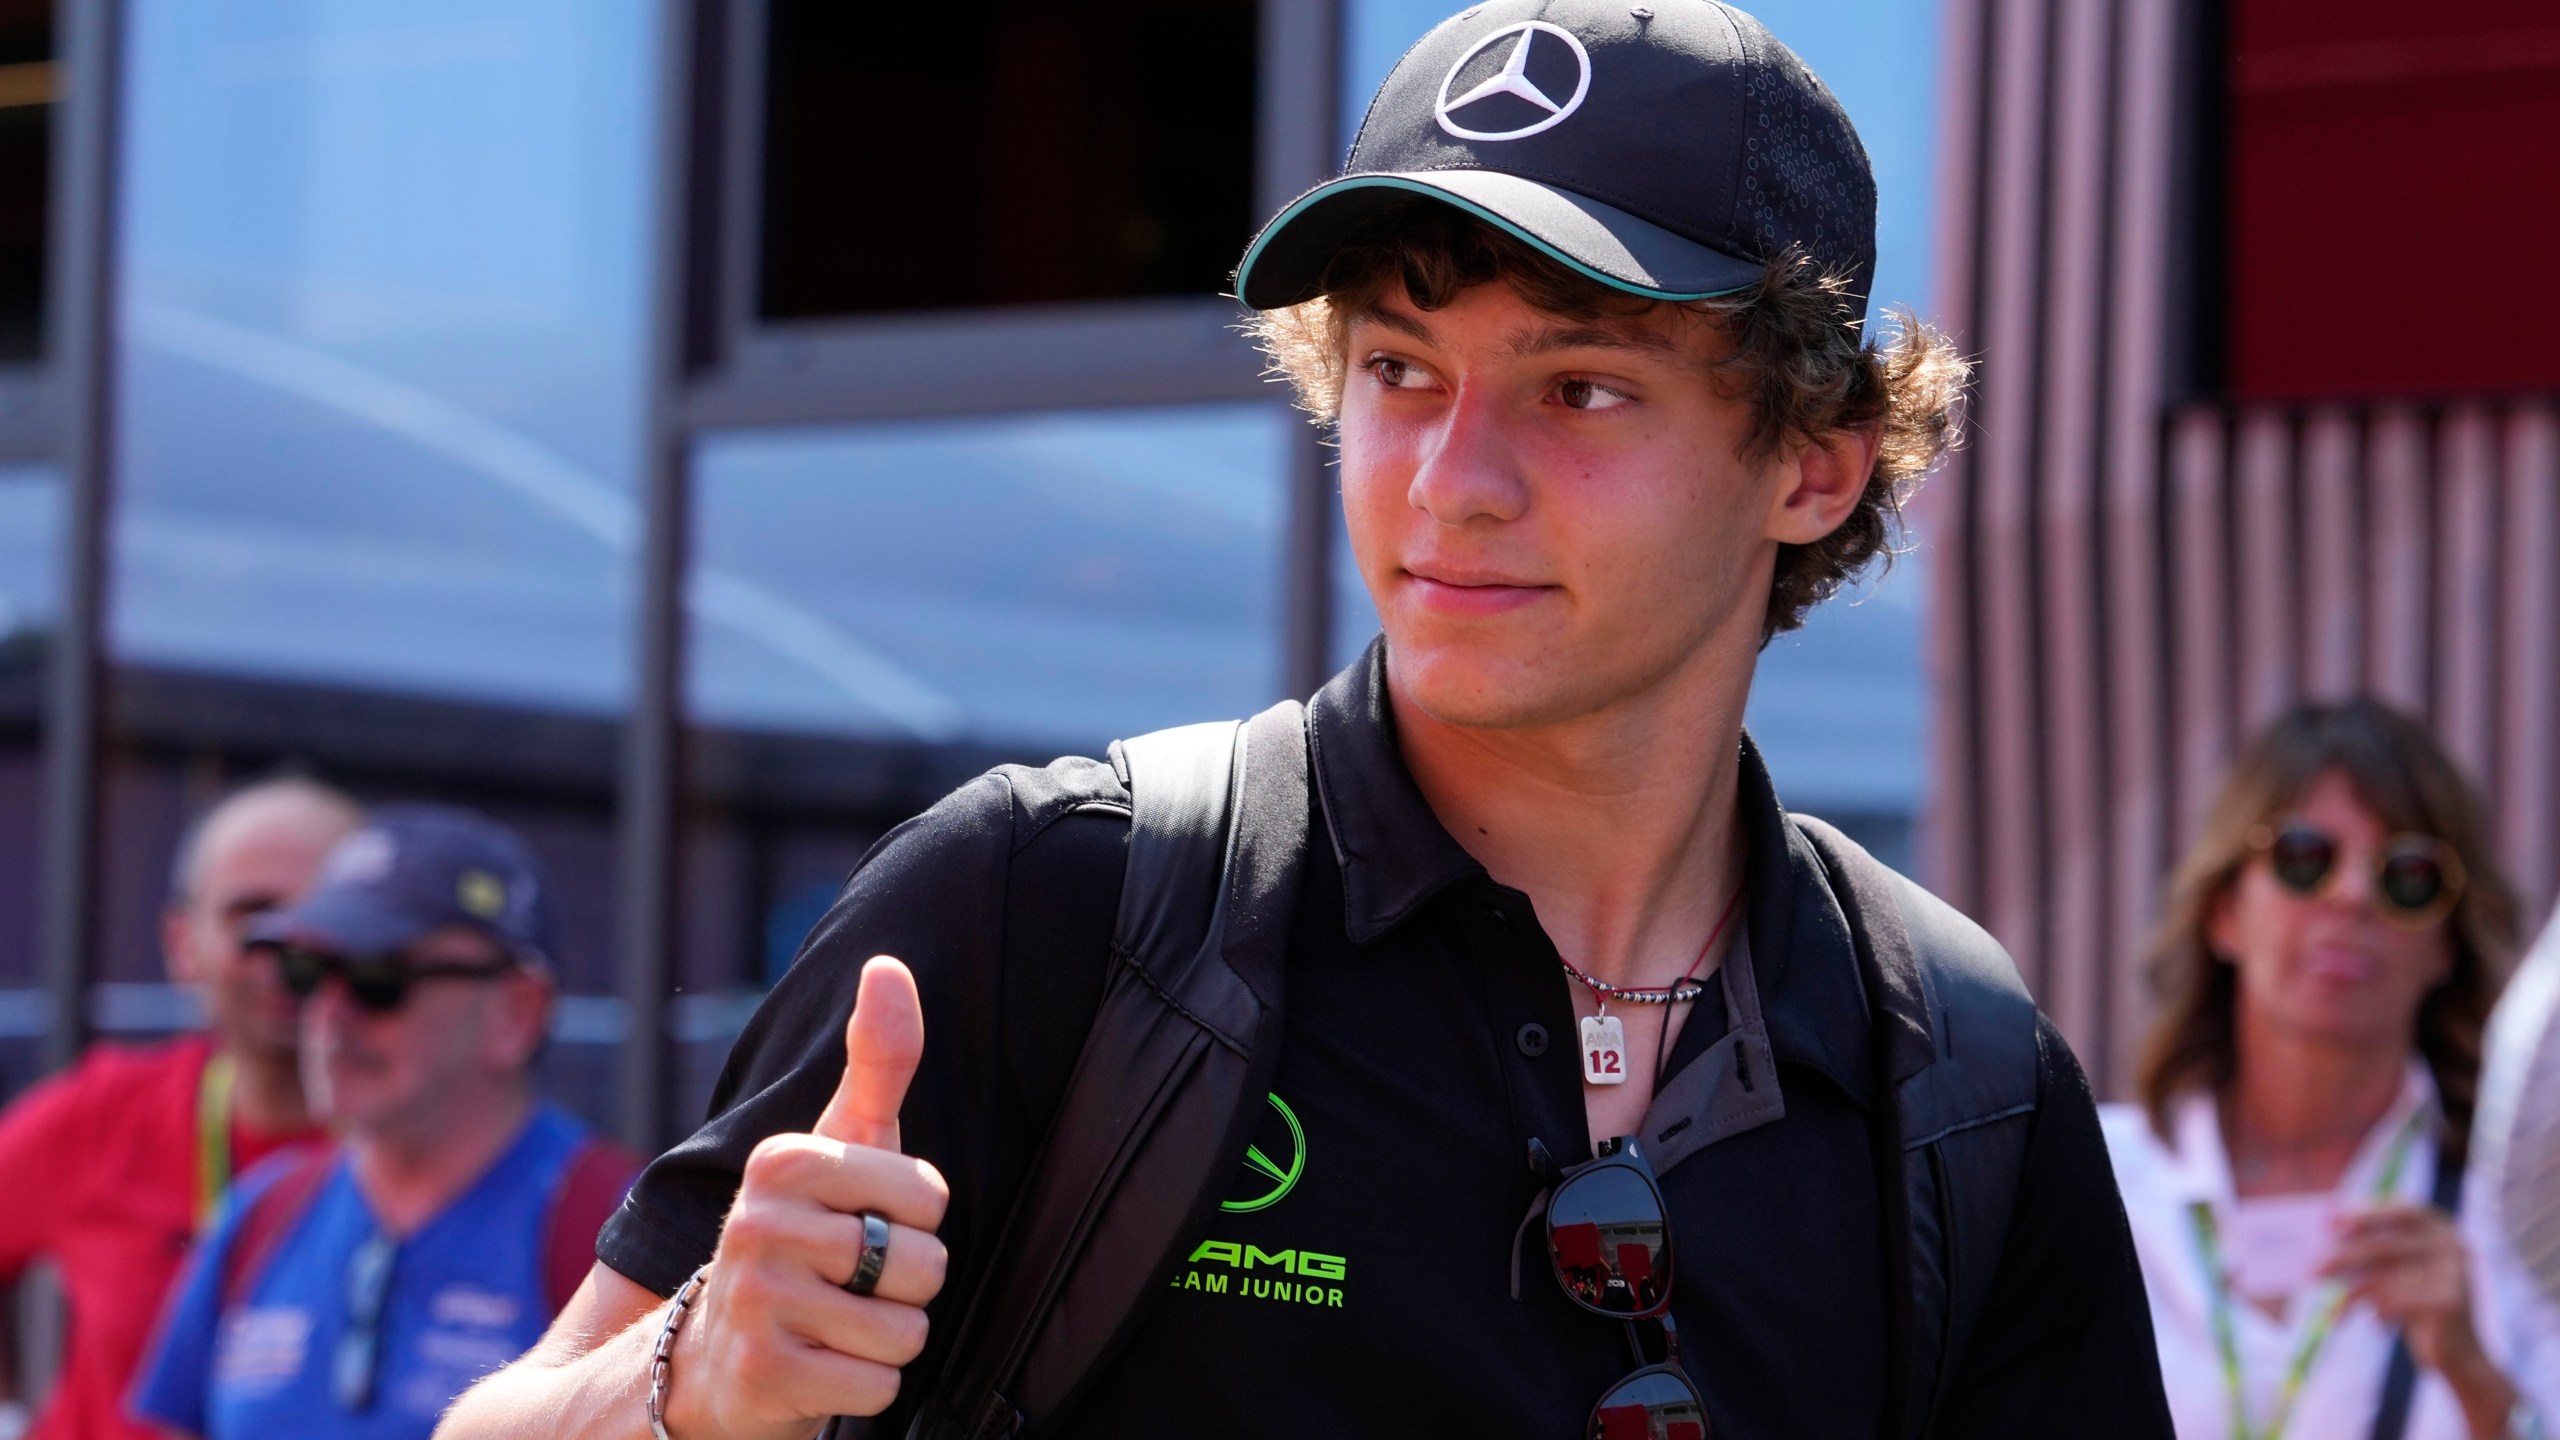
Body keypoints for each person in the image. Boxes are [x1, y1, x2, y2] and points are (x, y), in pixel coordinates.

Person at [442, 2, 2175, 1436]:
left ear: (1812, 465)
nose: (1450, 483)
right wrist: (686, 1384)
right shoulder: (1054, 908)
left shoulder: (1956, 1063)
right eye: (1399, 372)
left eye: (1578, 387)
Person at [2101, 699, 2560, 1439]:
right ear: (2224, 911)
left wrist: (2479, 1385)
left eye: (2407, 875)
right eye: (2305, 857)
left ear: (2448, 942)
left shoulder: (2521, 1212)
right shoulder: (2090, 1179)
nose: (2350, 897)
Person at [129, 805, 636, 1440]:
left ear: (516, 1011)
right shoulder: (260, 1214)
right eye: (308, 973)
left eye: (378, 979)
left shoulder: (620, 1234)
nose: (328, 1016)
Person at [0, 776, 362, 1440]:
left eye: (323, 918)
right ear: (181, 944)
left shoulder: (420, 1144)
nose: (286, 952)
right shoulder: (106, 1114)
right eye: (251, 918)